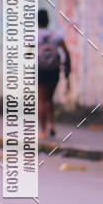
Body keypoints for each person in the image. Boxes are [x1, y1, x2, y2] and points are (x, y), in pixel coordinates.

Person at [38, 8, 70, 138]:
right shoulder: (56, 35)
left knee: (41, 100)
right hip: (54, 70)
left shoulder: (33, 36)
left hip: (40, 70)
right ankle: (52, 124)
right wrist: (67, 70)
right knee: (49, 99)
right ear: (48, 20)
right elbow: (66, 53)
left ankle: (43, 131)